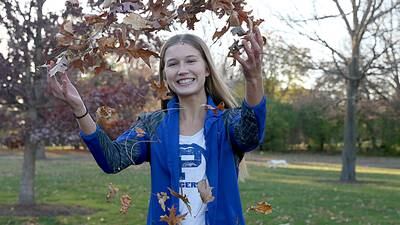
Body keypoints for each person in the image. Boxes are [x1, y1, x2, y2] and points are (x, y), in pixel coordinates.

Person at [47, 27, 266, 225]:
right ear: (165, 75)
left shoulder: (227, 122)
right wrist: (79, 109)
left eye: (191, 61)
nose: (182, 70)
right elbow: (111, 159)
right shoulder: (153, 126)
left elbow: (250, 134)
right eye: (172, 64)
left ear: (207, 69)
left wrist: (254, 79)